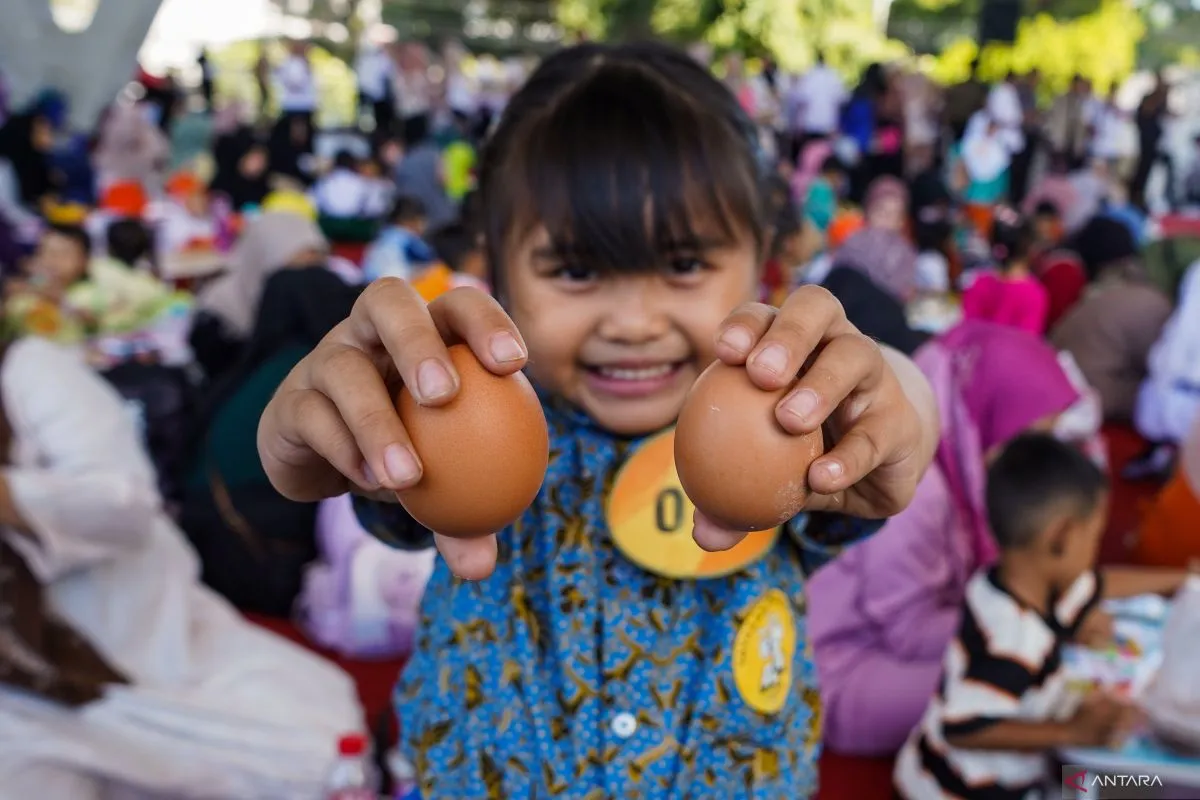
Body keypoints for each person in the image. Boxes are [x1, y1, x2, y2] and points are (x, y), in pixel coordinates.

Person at [256, 41, 939, 798]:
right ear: (497, 268)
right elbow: (388, 484)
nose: (634, 321)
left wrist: (897, 397)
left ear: (764, 265)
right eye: (576, 271)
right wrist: (327, 431)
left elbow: (895, 405)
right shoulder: (454, 405)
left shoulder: (790, 421)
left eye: (683, 264)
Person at [0, 334, 362, 798]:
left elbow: (125, 503)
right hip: (21, 680)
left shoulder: (28, 368)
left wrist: (10, 497)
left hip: (134, 625)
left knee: (314, 754)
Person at [808, 321, 1103, 757]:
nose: (1037, 460)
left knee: (1029, 672)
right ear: (982, 413)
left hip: (909, 637)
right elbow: (905, 631)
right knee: (1026, 690)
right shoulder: (914, 490)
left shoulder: (962, 468)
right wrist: (1037, 627)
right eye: (1026, 438)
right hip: (842, 667)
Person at [894, 433, 1187, 799]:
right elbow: (963, 728)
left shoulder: (1014, 582)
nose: (1094, 553)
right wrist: (1072, 731)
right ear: (1061, 537)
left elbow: (1098, 585)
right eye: (1094, 539)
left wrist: (1185, 580)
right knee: (1138, 785)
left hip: (1001, 765)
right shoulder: (1013, 637)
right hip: (966, 789)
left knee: (1127, 782)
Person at [1051, 216, 1173, 421]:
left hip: (1065, 390)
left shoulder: (1097, 295)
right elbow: (1162, 370)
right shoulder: (1148, 300)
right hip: (1090, 400)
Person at [191, 211, 329, 381]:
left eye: (317, 270)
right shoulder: (217, 316)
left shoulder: (323, 310)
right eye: (292, 276)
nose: (306, 286)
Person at [962, 207, 1049, 334]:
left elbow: (966, 328)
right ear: (1030, 248)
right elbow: (1027, 341)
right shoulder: (1035, 295)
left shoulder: (978, 283)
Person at [832, 175, 918, 302]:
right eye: (880, 211)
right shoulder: (853, 242)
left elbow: (903, 291)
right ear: (868, 211)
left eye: (893, 214)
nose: (886, 220)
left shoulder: (905, 252)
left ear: (901, 221)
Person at [361, 196, 434, 283]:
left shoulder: (382, 235)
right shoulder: (407, 237)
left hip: (370, 286)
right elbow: (431, 258)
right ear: (413, 220)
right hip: (395, 285)